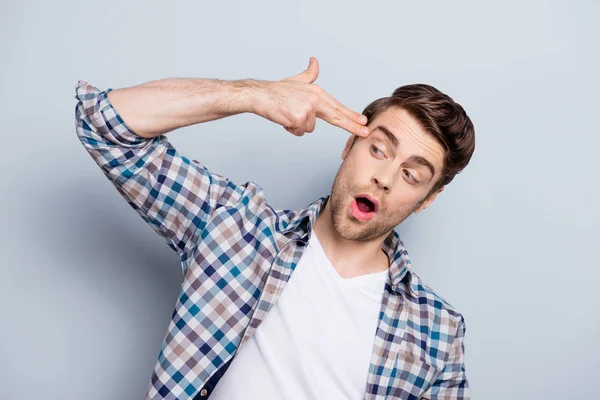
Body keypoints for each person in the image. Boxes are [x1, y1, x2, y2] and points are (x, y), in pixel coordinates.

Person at [74, 57, 475, 400]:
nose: (384, 178)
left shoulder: (437, 331)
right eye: (378, 149)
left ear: (427, 199)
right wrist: (253, 94)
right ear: (348, 146)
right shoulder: (235, 228)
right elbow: (104, 124)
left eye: (410, 175)